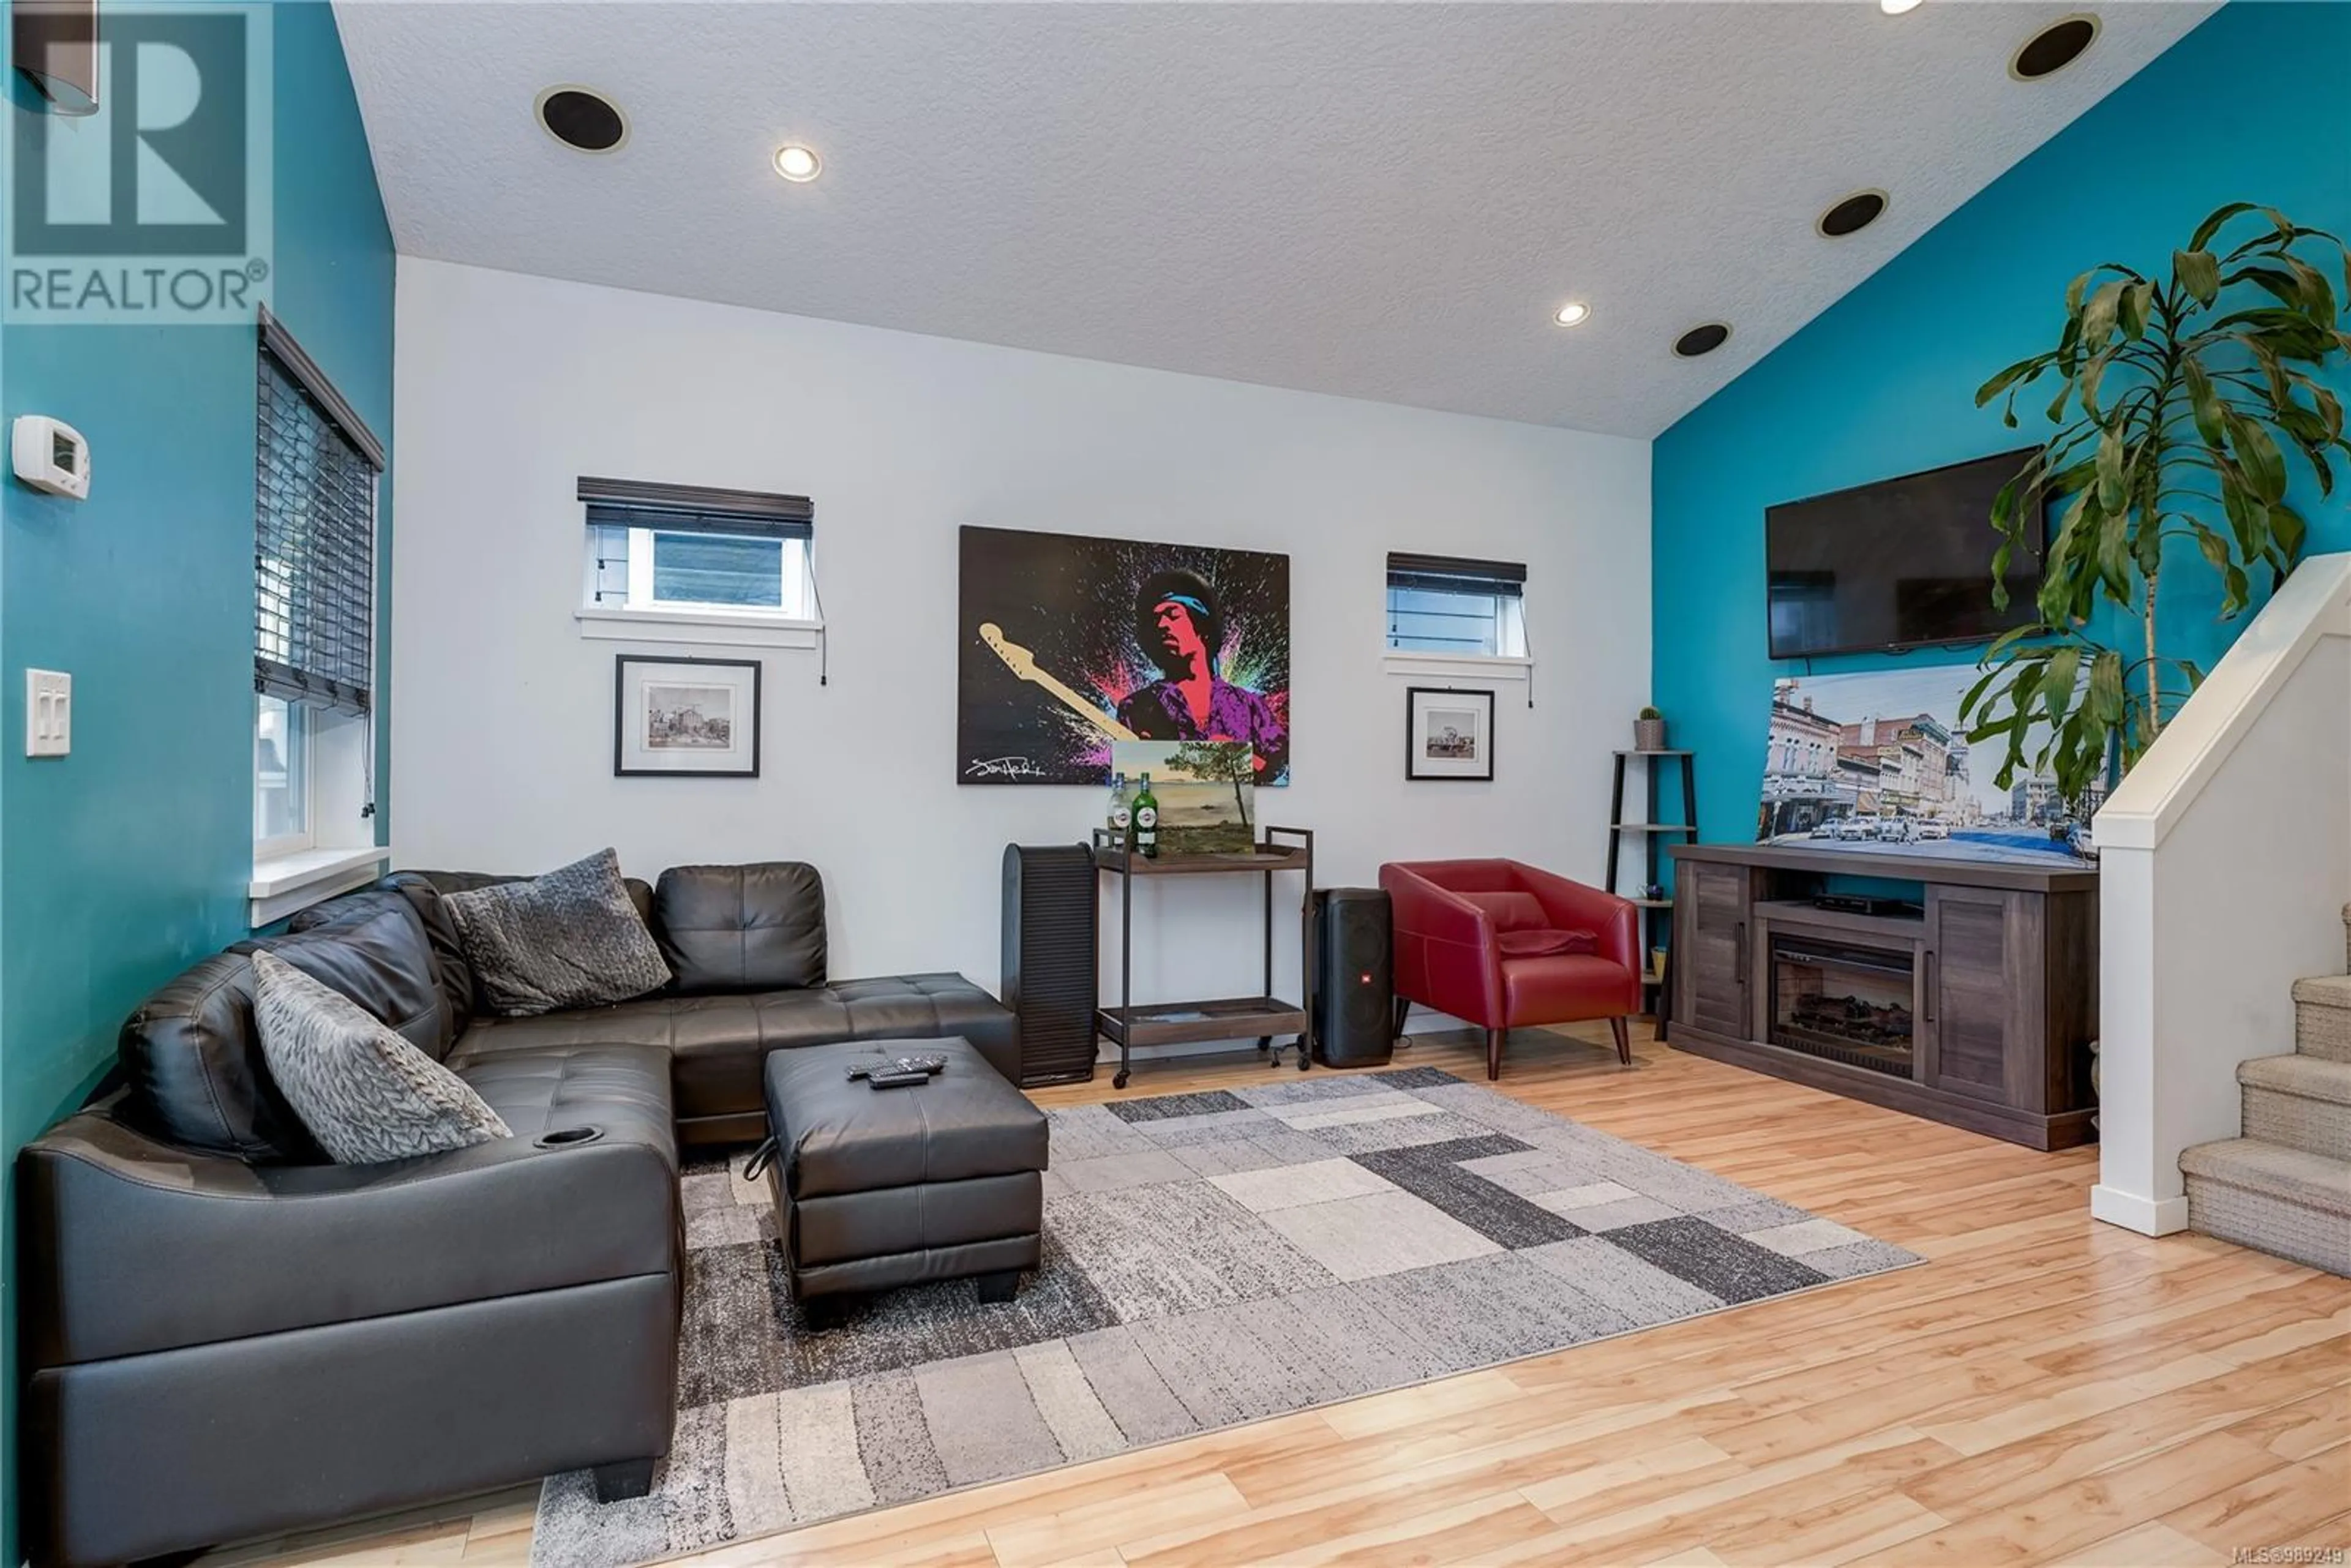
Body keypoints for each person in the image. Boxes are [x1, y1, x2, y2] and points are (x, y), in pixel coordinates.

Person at [1114, 569, 1287, 777]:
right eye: (1156, 619)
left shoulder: (1249, 706)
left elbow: (1281, 770)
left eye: (1173, 615)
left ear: (1201, 626)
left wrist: (1237, 757)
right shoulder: (1136, 707)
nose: (1162, 625)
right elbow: (1127, 781)